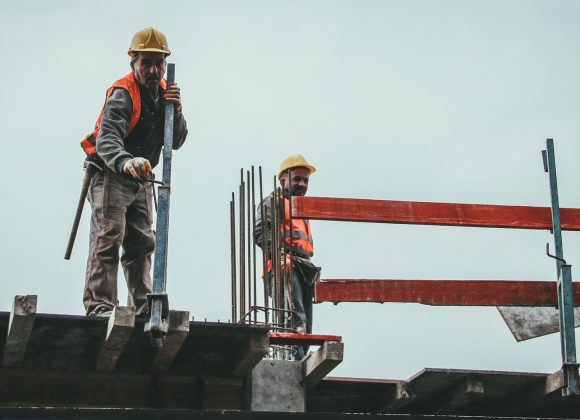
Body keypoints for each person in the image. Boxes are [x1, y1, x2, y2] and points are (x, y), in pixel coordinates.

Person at [80, 27, 188, 317]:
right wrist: (125, 161)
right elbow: (107, 138)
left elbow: (176, 140)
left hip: (141, 177)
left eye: (158, 63)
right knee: (109, 235)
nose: (153, 70)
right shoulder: (123, 93)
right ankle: (100, 306)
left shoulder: (166, 94)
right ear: (134, 63)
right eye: (146, 63)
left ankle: (143, 308)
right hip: (111, 172)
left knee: (142, 241)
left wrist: (175, 111)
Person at [255, 155, 321, 359]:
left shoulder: (301, 208)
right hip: (285, 265)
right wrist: (278, 256)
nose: (302, 184)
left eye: (305, 180)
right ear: (282, 179)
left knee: (305, 321)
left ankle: (299, 355)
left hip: (303, 266)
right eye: (297, 179)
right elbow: (261, 233)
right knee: (293, 315)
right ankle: (293, 356)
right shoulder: (273, 202)